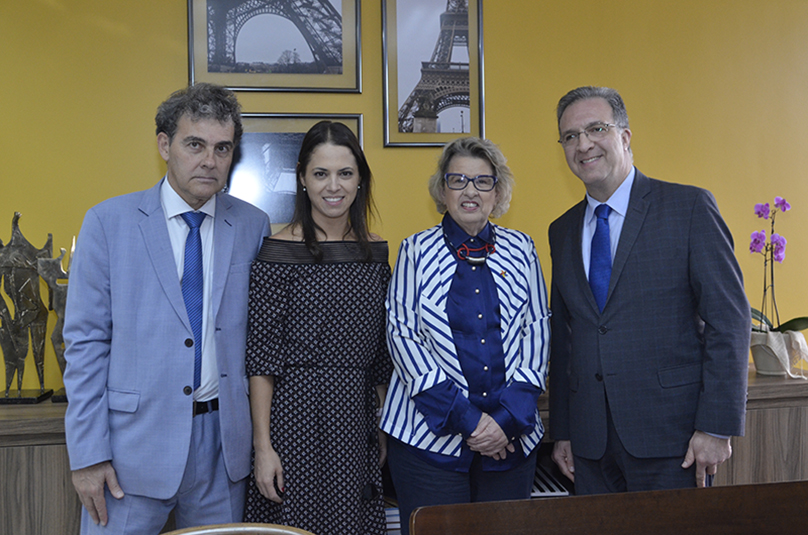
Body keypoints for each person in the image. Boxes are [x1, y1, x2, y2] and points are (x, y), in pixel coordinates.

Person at [63, 83, 270, 534]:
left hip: (222, 451)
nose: (209, 160)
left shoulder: (253, 226)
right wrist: (88, 455)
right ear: (164, 145)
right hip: (128, 455)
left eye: (222, 148)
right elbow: (84, 346)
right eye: (194, 144)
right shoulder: (108, 223)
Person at [548, 86, 750, 494]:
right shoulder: (562, 230)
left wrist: (716, 426)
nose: (583, 144)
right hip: (590, 445)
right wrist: (564, 430)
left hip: (672, 439)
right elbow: (565, 339)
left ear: (625, 136)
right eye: (570, 136)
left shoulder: (688, 207)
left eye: (596, 129)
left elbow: (729, 321)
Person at [381, 137, 550, 534]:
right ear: (442, 190)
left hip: (511, 443)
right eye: (458, 180)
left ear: (498, 191)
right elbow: (404, 338)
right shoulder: (415, 251)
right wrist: (472, 423)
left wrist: (504, 422)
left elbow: (537, 333)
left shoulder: (522, 249)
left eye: (482, 181)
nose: (470, 190)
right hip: (427, 445)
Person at [243, 121, 391, 535]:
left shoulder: (376, 253)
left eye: (345, 173)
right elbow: (261, 359)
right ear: (302, 179)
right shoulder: (276, 253)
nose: (334, 186)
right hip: (293, 421)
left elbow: (381, 354)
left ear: (360, 179)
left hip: (356, 421)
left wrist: (381, 427)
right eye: (321, 173)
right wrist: (263, 448)